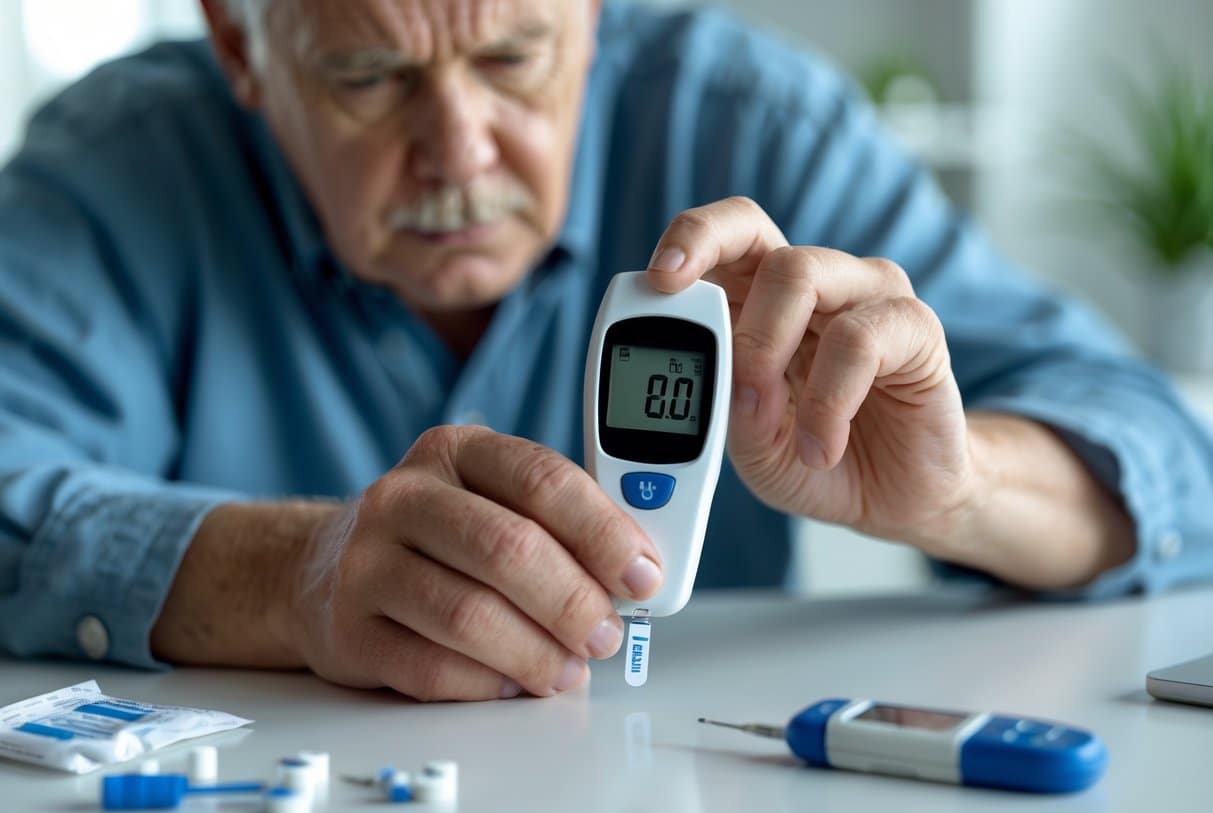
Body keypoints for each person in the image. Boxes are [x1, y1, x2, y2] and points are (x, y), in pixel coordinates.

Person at [1, 0, 1210, 702]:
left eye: (514, 57)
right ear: (237, 41)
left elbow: (1169, 461)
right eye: (369, 74)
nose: (459, 151)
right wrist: (292, 578)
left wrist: (964, 489)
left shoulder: (756, 129)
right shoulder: (116, 170)